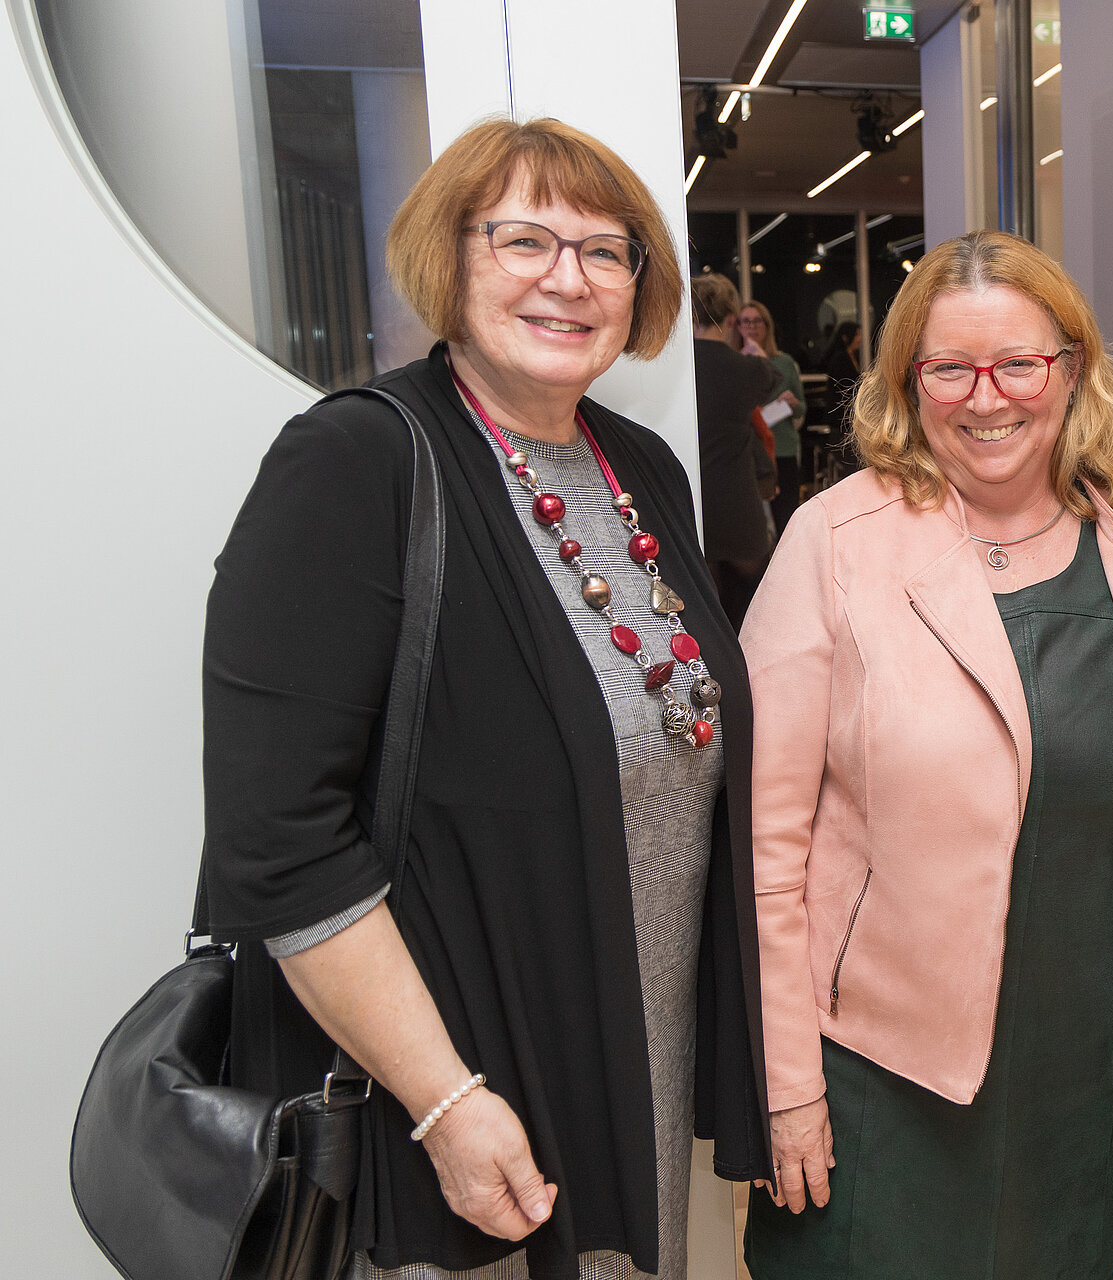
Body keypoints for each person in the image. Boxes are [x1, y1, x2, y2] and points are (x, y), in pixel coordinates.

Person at [200, 116, 771, 1280]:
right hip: (451, 1101)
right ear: (448, 258)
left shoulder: (641, 467)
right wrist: (445, 1100)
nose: (569, 278)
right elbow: (280, 840)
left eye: (605, 250)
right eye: (524, 240)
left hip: (634, 1065)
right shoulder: (355, 462)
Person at [739, 230, 1113, 1280]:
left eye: (1019, 363)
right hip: (874, 1067)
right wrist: (785, 1082)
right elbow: (762, 849)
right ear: (907, 382)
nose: (987, 398)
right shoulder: (834, 543)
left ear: (1071, 368)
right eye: (950, 369)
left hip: (1082, 1061)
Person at [690, 273, 779, 629]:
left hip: (692, 499)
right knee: (753, 603)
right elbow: (773, 379)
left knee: (705, 609)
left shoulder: (677, 371)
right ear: (730, 319)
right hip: (738, 500)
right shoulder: (747, 369)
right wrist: (756, 353)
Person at [734, 300, 808, 536]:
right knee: (752, 525)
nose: (751, 326)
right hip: (748, 451)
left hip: (783, 449)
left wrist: (794, 404)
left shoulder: (784, 363)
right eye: (746, 321)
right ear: (737, 326)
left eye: (757, 321)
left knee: (786, 520)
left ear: (767, 326)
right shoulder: (735, 362)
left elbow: (802, 408)